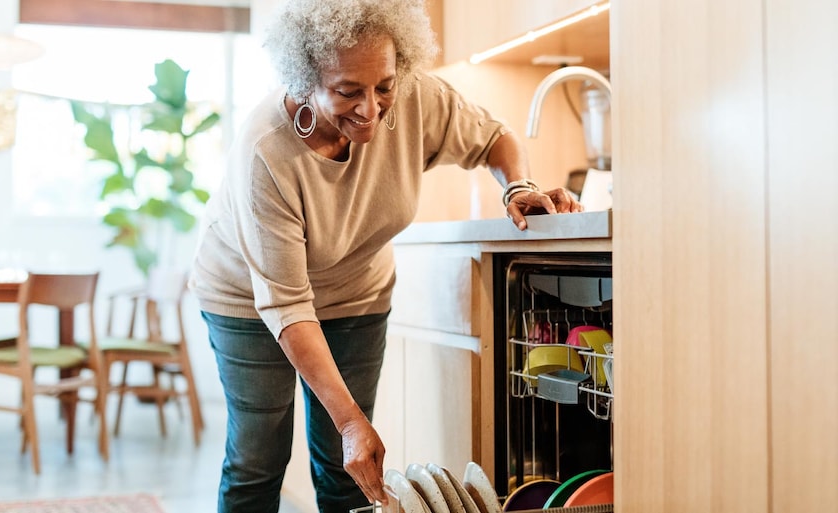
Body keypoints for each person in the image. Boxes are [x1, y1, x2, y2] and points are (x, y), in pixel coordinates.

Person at [188, 0, 583, 511]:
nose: (371, 108)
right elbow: (286, 304)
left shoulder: (417, 96)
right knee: (257, 458)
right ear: (305, 81)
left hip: (356, 294)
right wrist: (351, 420)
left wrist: (517, 187)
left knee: (343, 463)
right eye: (347, 91)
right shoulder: (267, 151)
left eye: (384, 87)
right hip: (248, 298)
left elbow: (493, 137)